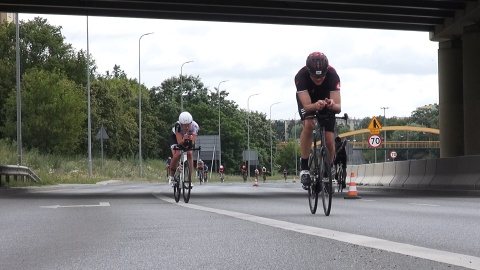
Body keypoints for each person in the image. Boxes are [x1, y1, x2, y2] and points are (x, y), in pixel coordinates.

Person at [295, 52, 342, 189]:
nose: (319, 79)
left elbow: (338, 107)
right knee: (309, 124)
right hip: (309, 100)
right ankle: (304, 166)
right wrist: (315, 106)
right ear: (309, 71)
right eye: (315, 76)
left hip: (326, 100)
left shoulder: (333, 75)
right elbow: (306, 106)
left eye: (322, 76)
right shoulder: (301, 77)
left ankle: (328, 168)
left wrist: (332, 105)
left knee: (328, 137)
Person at [167, 111, 199, 186]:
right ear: (181, 124)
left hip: (187, 138)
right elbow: (179, 142)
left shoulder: (194, 126)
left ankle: (189, 179)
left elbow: (193, 141)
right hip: (176, 138)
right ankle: (171, 176)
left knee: (190, 154)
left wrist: (190, 139)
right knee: (176, 155)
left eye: (188, 125)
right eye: (185, 126)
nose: (187, 127)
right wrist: (184, 139)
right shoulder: (177, 125)